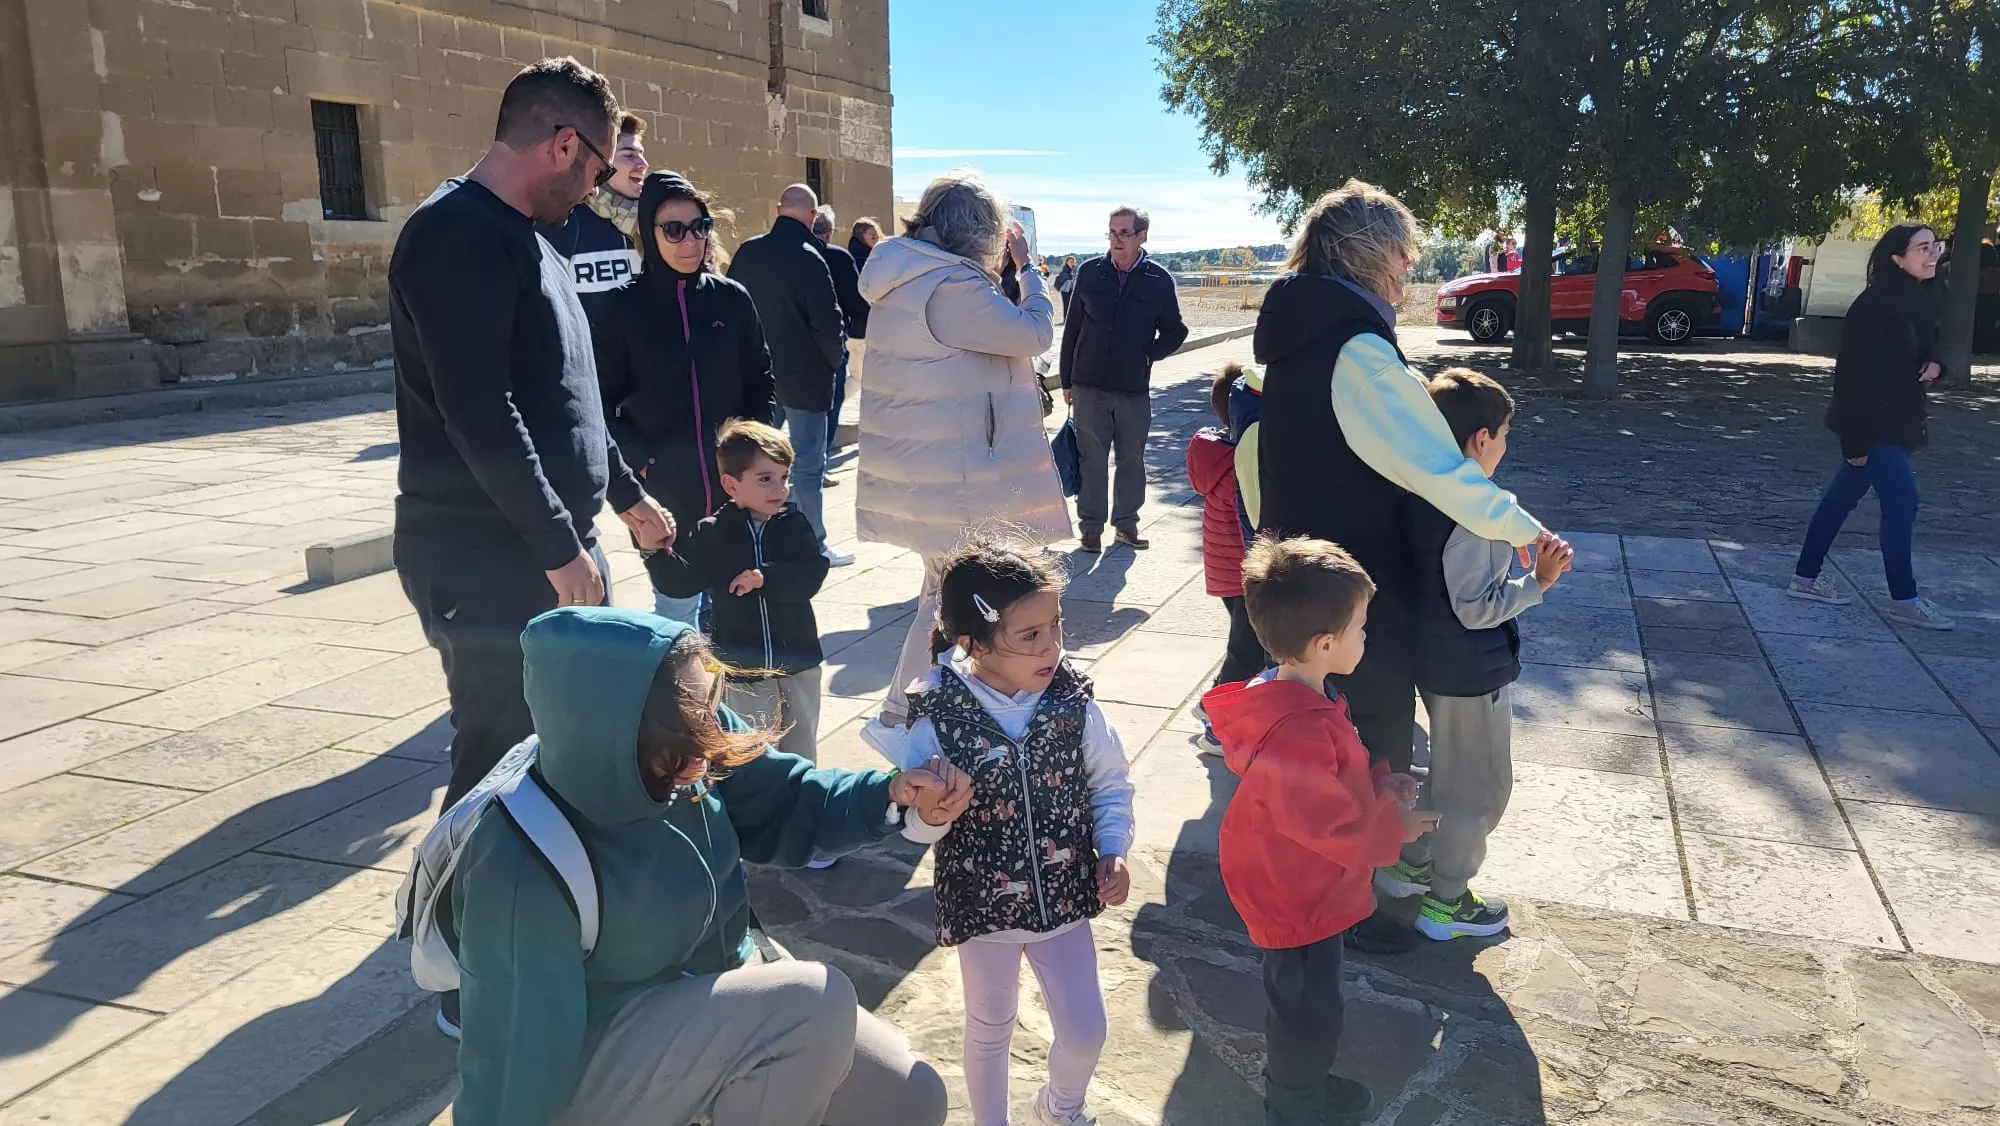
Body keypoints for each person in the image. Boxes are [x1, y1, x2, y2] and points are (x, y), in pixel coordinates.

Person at [448, 606, 964, 1126]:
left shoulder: (689, 732)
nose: (707, 752)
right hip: (590, 1062)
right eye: (684, 737)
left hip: (713, 990)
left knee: (911, 1100)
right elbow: (513, 1053)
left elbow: (784, 799)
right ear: (612, 734)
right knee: (808, 1006)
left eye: (710, 712)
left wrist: (893, 797)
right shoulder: (520, 860)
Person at [1252, 180, 1561, 951]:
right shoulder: (1355, 345)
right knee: (1373, 735)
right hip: (1352, 577)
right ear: (1372, 255)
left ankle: (1364, 881)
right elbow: (1439, 467)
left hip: (1307, 566)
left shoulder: (1298, 330)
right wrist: (1522, 531)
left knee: (1341, 730)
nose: (1410, 267)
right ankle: (1368, 899)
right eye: (1404, 253)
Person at [388, 57, 675, 815]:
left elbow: (567, 395)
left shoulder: (537, 239)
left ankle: (537, 911)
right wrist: (557, 546)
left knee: (560, 751)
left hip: (547, 544)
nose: (598, 184)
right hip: (486, 552)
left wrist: (626, 495)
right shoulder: (455, 235)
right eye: (598, 165)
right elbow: (480, 409)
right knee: (498, 758)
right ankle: (454, 922)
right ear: (562, 144)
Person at [869, 539, 1135, 1126]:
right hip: (980, 903)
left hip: (1064, 897)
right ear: (973, 643)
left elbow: (1110, 783)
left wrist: (1113, 848)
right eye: (1030, 636)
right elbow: (912, 823)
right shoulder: (937, 713)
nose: (1052, 647)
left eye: (1055, 626)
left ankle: (1061, 1107)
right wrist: (930, 816)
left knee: (1086, 1029)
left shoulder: (1074, 702)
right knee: (990, 1025)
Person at [1202, 535, 1439, 1125]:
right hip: (1295, 891)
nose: (1366, 638)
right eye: (1361, 628)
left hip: (1301, 879)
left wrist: (1381, 787)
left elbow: (1331, 785)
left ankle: (1300, 1080)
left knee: (1308, 1003)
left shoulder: (1299, 695)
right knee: (1309, 1010)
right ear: (1325, 644)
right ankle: (1293, 1104)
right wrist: (1397, 829)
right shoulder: (1296, 727)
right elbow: (1327, 825)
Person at [849, 171, 1072, 735]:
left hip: (930, 467)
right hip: (958, 476)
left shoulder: (907, 277)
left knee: (939, 591)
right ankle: (907, 718)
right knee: (948, 600)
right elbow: (1034, 333)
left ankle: (913, 711)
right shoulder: (951, 286)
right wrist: (1029, 270)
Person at [1374, 369, 1571, 941]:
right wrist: (1539, 581)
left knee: (1447, 773)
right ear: (1481, 440)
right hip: (1469, 669)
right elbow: (1475, 606)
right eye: (1505, 434)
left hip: (1436, 662)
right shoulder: (1474, 511)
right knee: (1479, 788)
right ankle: (1449, 900)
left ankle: (1413, 864)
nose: (1506, 447)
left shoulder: (1421, 487)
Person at [595, 170, 777, 627]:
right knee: (678, 616)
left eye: (700, 226)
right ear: (649, 235)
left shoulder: (732, 300)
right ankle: (687, 699)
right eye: (674, 230)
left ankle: (733, 699)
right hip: (665, 495)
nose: (689, 240)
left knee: (739, 613)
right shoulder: (622, 309)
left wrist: (753, 451)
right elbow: (600, 405)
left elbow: (761, 378)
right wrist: (641, 465)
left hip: (735, 493)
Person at [1790, 221, 1953, 630]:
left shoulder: (1920, 296)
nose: (1934, 253)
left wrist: (1937, 364)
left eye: (1936, 246)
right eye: (1923, 248)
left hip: (1897, 417)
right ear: (1898, 257)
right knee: (1903, 502)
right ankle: (1905, 598)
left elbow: (1927, 348)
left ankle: (1805, 577)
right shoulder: (1874, 304)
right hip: (1873, 424)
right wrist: (1854, 439)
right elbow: (1851, 377)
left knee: (1840, 500)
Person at [644, 420, 829, 768]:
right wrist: (655, 553)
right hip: (743, 664)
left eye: (785, 477)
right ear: (731, 485)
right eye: (766, 478)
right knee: (751, 747)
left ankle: (804, 803)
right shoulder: (713, 532)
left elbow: (811, 574)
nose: (780, 488)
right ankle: (759, 805)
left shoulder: (794, 525)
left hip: (799, 660)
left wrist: (766, 578)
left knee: (801, 742)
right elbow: (682, 582)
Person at [728, 184, 853, 566]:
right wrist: (836, 362)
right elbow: (828, 323)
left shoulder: (749, 251)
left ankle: (753, 542)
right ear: (812, 217)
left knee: (753, 465)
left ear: (779, 209)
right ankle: (811, 544)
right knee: (808, 467)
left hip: (757, 376)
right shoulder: (809, 257)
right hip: (805, 379)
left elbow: (729, 305)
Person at [1059, 206, 1190, 553]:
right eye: (1112, 232)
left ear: (1142, 235)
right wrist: (1067, 382)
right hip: (1088, 386)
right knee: (1092, 459)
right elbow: (1071, 330)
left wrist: (1149, 354)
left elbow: (1177, 331)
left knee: (1132, 459)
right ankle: (1090, 529)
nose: (1117, 240)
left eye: (1124, 233)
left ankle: (1127, 525)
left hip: (1133, 389)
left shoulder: (1159, 280)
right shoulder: (1089, 272)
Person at [1187, 361, 1266, 753]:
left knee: (1247, 645)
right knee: (1247, 650)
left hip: (1224, 573)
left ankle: (1213, 707)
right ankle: (1217, 724)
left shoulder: (1212, 452)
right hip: (1244, 572)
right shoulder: (1245, 461)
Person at [539, 111, 649, 319]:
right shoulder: (566, 220)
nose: (643, 163)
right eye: (629, 155)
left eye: (642, 153)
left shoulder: (655, 226)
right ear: (604, 161)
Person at [813, 204, 870, 462]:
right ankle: (818, 462)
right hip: (833, 340)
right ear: (830, 231)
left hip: (789, 343)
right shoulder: (838, 257)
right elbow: (857, 301)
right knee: (831, 402)